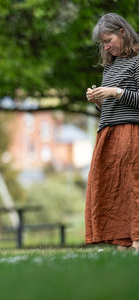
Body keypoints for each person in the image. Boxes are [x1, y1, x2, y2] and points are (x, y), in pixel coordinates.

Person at [85, 13, 139, 251]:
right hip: (108, 135)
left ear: (122, 32)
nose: (106, 46)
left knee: (132, 187)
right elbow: (110, 107)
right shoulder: (111, 66)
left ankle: (137, 240)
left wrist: (115, 92)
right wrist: (98, 100)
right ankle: (123, 243)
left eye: (108, 40)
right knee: (113, 191)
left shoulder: (138, 61)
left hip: (131, 133)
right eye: (102, 44)